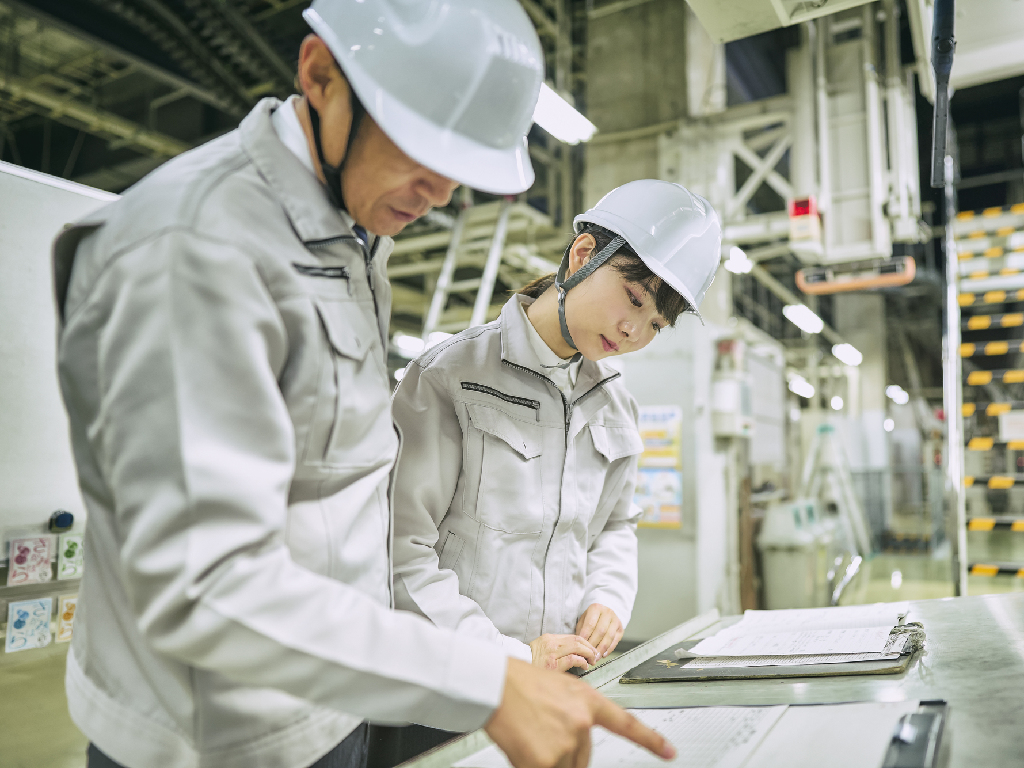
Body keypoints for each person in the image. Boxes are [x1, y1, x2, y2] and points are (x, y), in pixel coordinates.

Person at [50, 2, 675, 767]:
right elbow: (200, 585)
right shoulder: (195, 248)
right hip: (209, 737)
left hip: (338, 705)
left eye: (464, 167)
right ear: (319, 76)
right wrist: (487, 674)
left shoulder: (350, 236)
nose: (442, 192)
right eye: (423, 146)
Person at [382, 180, 721, 755]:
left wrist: (608, 599)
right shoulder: (451, 376)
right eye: (635, 300)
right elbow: (400, 555)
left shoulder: (615, 403)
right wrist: (511, 659)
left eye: (656, 327)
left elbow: (615, 524)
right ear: (584, 255)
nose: (633, 333)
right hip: (448, 700)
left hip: (558, 687)